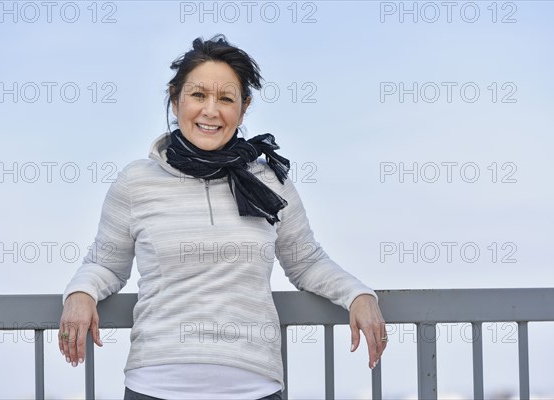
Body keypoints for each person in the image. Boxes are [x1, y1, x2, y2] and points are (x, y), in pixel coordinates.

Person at [59, 34, 387, 400]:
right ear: (174, 97)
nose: (211, 110)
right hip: (155, 385)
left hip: (255, 388)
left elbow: (306, 261)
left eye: (226, 98)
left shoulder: (268, 181)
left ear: (244, 108)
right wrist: (80, 293)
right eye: (198, 95)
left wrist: (358, 295)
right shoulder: (136, 182)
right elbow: (105, 264)